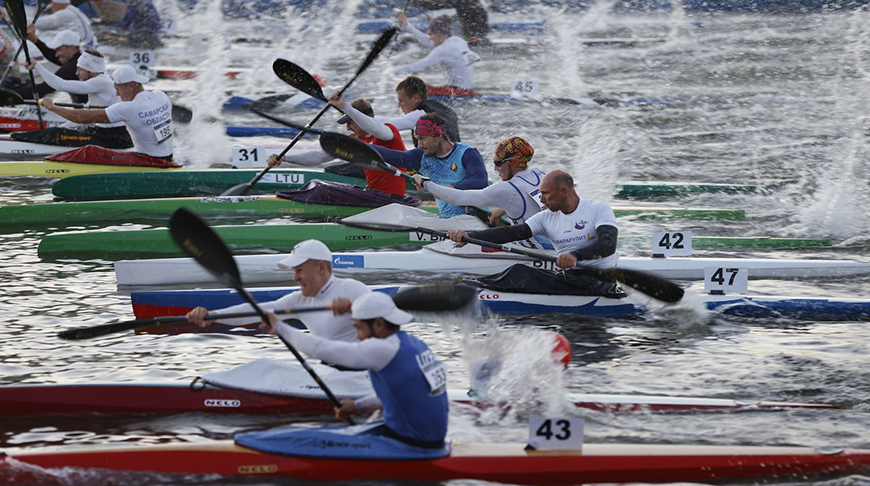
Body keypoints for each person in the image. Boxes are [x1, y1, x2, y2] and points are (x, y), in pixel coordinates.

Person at [261, 291, 449, 448]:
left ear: (378, 325)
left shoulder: (383, 349)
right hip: (430, 439)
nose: (358, 336)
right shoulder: (415, 344)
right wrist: (358, 406)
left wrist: (279, 327)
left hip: (411, 443)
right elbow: (402, 395)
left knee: (299, 441)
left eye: (358, 328)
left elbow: (321, 349)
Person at [186, 239, 371, 345]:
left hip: (360, 375)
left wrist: (356, 310)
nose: (295, 278)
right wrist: (213, 316)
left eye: (299, 270)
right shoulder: (299, 300)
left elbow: (384, 324)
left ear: (321, 268)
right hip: (327, 371)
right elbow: (257, 311)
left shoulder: (352, 289)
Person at [446, 170, 619, 270]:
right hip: (572, 277)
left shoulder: (598, 208)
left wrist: (575, 256)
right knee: (518, 271)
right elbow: (509, 233)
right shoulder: (545, 217)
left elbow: (608, 245)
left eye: (545, 194)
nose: (541, 200)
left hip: (602, 277)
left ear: (563, 192)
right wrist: (469, 236)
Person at [267, 94, 408, 196]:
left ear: (361, 119)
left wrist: (345, 106)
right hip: (373, 194)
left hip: (389, 198)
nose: (347, 128)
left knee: (321, 190)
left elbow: (376, 129)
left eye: (350, 122)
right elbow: (320, 157)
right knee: (316, 184)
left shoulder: (388, 132)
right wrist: (285, 158)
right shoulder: (354, 141)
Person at [40, 65, 174, 159]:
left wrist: (53, 107)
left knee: (89, 151)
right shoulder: (161, 95)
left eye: (118, 88)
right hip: (168, 158)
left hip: (149, 162)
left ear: (131, 86)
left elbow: (83, 118)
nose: (117, 94)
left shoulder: (128, 108)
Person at [370, 113, 487, 218]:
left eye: (422, 139)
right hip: (448, 221)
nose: (419, 145)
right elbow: (390, 155)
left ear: (439, 135)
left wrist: (448, 189)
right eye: (417, 139)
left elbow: (480, 181)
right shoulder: (421, 156)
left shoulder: (466, 153)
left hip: (474, 218)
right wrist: (362, 146)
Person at [414, 136, 546, 228]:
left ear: (513, 163)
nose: (495, 168)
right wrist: (503, 210)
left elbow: (458, 198)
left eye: (498, 163)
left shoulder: (506, 189)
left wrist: (426, 183)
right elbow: (526, 201)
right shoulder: (540, 176)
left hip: (535, 251)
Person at [13, 49, 132, 148]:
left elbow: (60, 85)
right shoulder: (99, 86)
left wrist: (37, 65)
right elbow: (82, 119)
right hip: (108, 135)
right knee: (56, 132)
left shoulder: (101, 82)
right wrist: (57, 129)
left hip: (113, 138)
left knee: (55, 133)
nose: (76, 73)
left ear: (90, 70)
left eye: (80, 69)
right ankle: (22, 136)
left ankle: (19, 138)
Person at [395, 14, 480, 92]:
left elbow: (418, 67)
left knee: (413, 88)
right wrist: (407, 25)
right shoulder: (458, 41)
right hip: (466, 89)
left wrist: (393, 71)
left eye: (430, 34)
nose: (429, 38)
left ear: (439, 34)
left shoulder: (442, 50)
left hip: (456, 92)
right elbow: (426, 40)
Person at [375, 76, 460, 148]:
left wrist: (366, 116)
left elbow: (389, 124)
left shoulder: (421, 115)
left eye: (401, 101)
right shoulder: (443, 108)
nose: (399, 105)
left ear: (416, 98)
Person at [15, 29, 84, 102]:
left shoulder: (73, 68)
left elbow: (42, 89)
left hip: (85, 108)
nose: (56, 55)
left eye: (58, 50)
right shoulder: (79, 62)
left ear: (72, 48)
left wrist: (12, 94)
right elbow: (52, 55)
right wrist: (35, 41)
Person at [410, 0, 489, 44]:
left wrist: (421, 3)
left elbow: (439, 4)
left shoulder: (462, 2)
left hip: (473, 39)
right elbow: (466, 11)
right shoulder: (473, 3)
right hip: (479, 36)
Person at [94, 0, 162, 48]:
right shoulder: (132, 4)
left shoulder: (142, 3)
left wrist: (140, 35)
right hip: (136, 36)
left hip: (147, 39)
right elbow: (124, 24)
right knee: (102, 35)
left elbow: (154, 23)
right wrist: (108, 29)